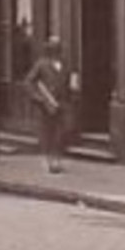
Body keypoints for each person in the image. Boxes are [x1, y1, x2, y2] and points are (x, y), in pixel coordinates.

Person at [25, 37, 73, 173]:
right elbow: (28, 82)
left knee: (62, 132)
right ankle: (49, 160)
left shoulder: (65, 64)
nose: (56, 50)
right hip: (46, 104)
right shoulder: (41, 64)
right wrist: (39, 98)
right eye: (53, 47)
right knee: (48, 132)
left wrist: (71, 96)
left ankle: (57, 158)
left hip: (62, 103)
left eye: (58, 47)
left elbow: (69, 82)